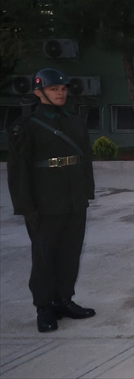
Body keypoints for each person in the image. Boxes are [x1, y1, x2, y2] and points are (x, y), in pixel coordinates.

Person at [6, 68, 96, 333]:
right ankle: (44, 307)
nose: (60, 93)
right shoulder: (27, 126)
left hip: (74, 198)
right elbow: (18, 170)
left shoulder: (75, 121)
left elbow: (85, 160)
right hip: (45, 201)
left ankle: (64, 300)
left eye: (63, 88)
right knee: (44, 256)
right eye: (54, 89)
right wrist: (26, 207)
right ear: (38, 92)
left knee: (70, 253)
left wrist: (86, 192)